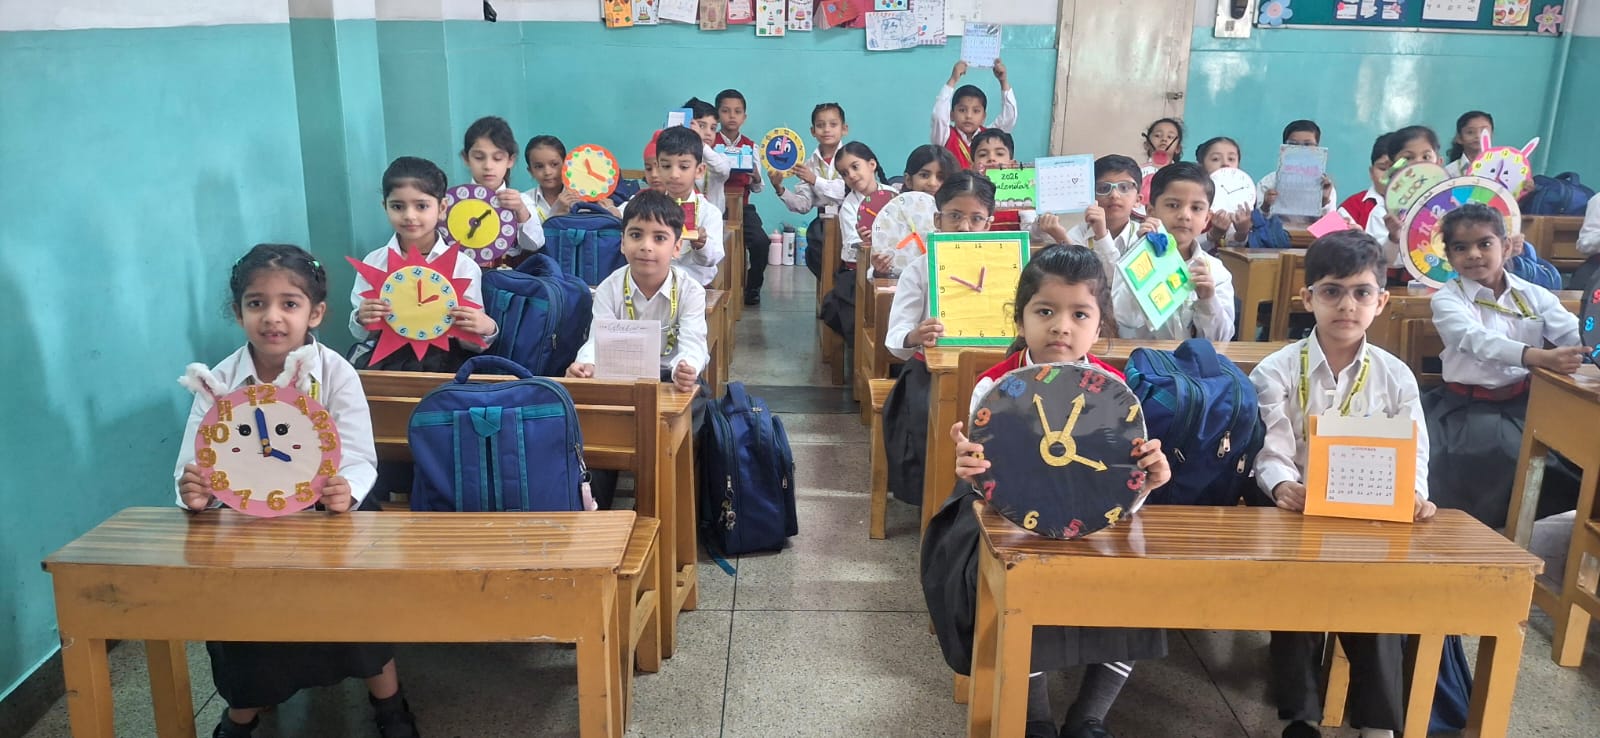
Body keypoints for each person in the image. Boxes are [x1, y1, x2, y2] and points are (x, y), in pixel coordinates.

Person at [174, 244, 418, 738]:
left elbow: (358, 455)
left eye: (289, 303)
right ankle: (242, 711)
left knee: (358, 615)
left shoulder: (335, 372)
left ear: (316, 313)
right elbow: (193, 463)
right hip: (248, 525)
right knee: (245, 625)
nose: (272, 317)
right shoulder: (220, 382)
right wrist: (195, 492)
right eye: (256, 303)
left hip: (331, 516)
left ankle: (389, 702)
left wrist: (346, 490)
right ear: (239, 311)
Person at [940, 244, 1173, 738]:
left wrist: (1149, 481)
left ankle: (1089, 717)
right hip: (1006, 522)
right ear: (1020, 318)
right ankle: (1036, 718)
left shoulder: (1116, 391)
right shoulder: (994, 386)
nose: (1061, 327)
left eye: (1079, 314)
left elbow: (1123, 488)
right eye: (1045, 311)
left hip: (1094, 520)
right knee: (1017, 584)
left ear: (1100, 324)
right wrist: (969, 469)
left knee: (1140, 585)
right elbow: (986, 482)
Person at [1250, 230, 1434, 738]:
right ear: (1307, 298)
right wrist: (1281, 485)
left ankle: (1377, 725)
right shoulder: (1276, 371)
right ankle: (1301, 718)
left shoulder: (1396, 376)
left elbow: (1415, 447)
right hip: (1297, 514)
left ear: (1381, 301)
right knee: (1298, 596)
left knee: (1375, 601)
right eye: (1331, 291)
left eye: (1361, 292)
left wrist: (1415, 492)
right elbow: (1270, 447)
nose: (1346, 305)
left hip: (1370, 518)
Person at [1426, 202, 1585, 528]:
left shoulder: (1534, 295)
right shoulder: (1447, 299)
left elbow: (1574, 333)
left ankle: (1544, 535)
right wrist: (1537, 356)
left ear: (1507, 246)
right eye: (1460, 248)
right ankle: (1492, 535)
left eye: (1484, 243)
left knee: (1578, 451)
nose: (1473, 255)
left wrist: (1590, 346)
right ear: (1449, 257)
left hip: (1526, 403)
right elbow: (1474, 339)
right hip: (1466, 408)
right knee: (1500, 459)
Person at [568, 190, 709, 508]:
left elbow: (694, 341)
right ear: (622, 243)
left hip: (671, 380)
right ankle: (599, 509)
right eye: (635, 235)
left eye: (659, 238)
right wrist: (585, 364)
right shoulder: (610, 287)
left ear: (677, 247)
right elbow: (597, 339)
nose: (646, 246)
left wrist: (686, 367)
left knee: (682, 425)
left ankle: (659, 508)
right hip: (620, 376)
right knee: (595, 429)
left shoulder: (690, 290)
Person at [881, 172, 997, 508]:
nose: (965, 227)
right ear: (938, 220)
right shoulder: (919, 269)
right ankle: (935, 496)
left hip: (990, 370)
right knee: (924, 419)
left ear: (988, 224)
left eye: (976, 218)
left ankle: (994, 494)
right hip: (928, 372)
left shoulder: (1003, 266)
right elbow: (896, 336)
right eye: (955, 216)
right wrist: (915, 334)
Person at [349, 157, 498, 372]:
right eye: (398, 206)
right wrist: (361, 317)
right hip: (387, 365)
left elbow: (472, 342)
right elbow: (362, 333)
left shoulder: (464, 266)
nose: (409, 216)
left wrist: (485, 327)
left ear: (442, 207)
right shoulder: (374, 262)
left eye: (421, 206)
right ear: (385, 207)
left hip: (445, 365)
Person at [1097, 162, 1235, 341]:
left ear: (1207, 219)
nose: (1185, 215)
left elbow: (1222, 339)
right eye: (1173, 205)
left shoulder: (1215, 272)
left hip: (1191, 359)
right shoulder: (1132, 260)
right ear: (1151, 211)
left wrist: (1208, 300)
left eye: (1196, 208)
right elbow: (1125, 318)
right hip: (1139, 357)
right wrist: (1144, 254)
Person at [624, 126, 724, 288]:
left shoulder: (709, 212)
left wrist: (702, 244)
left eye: (683, 167)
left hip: (695, 287)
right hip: (651, 284)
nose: (674, 175)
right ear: (658, 167)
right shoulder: (649, 206)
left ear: (699, 170)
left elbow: (713, 258)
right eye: (666, 166)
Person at [771, 102, 850, 278]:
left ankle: (842, 285)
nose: (827, 129)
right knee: (814, 247)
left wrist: (814, 179)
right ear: (813, 131)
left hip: (850, 218)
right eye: (820, 125)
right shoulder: (809, 164)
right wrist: (779, 188)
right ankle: (829, 286)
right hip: (823, 221)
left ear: (844, 129)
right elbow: (803, 205)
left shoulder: (851, 157)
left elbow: (844, 190)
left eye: (833, 124)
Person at [460, 116, 545, 261]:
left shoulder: (521, 201)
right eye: (479, 157)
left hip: (509, 272)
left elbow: (534, 244)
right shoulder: (454, 203)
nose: (488, 166)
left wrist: (521, 211)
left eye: (497, 158)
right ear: (466, 158)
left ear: (510, 160)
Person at [714, 89, 770, 305]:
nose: (732, 116)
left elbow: (758, 188)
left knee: (761, 242)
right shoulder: (709, 144)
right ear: (718, 115)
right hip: (714, 206)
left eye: (737, 112)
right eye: (726, 111)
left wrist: (756, 177)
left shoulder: (750, 146)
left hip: (742, 207)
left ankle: (753, 286)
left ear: (744, 117)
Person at [931, 59, 1018, 170]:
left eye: (976, 111)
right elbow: (939, 117)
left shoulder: (989, 136)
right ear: (951, 115)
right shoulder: (945, 136)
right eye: (962, 110)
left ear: (983, 117)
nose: (969, 116)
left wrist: (1003, 81)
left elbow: (1009, 118)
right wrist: (953, 80)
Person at [523, 134, 621, 222]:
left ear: (566, 164)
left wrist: (610, 210)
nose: (547, 172)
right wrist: (556, 213)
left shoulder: (584, 196)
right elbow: (528, 235)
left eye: (554, 164)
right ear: (530, 171)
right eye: (539, 166)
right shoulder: (525, 201)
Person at [1064, 155, 1145, 256]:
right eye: (1103, 188)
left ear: (1138, 200)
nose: (1114, 195)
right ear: (1091, 197)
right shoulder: (1078, 234)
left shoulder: (1143, 237)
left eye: (1124, 187)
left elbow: (1118, 268)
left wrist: (1102, 236)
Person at [1258, 119, 1337, 219]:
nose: (1300, 150)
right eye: (1293, 144)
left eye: (1307, 144)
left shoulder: (1325, 186)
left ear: (1318, 148)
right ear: (1284, 148)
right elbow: (1255, 222)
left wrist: (1324, 201)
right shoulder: (1268, 183)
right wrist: (1266, 205)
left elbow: (1330, 224)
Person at [1336, 133, 1394, 244]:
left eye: (1397, 168)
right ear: (1371, 172)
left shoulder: (1422, 207)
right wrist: (1357, 242)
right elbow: (1331, 247)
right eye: (1383, 168)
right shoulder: (1352, 207)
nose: (1389, 175)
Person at [683, 96, 734, 215]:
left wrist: (700, 143)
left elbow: (723, 170)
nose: (708, 133)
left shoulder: (720, 157)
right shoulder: (677, 159)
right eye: (701, 126)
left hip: (711, 221)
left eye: (713, 128)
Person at [1444, 111, 1494, 177]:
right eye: (1470, 132)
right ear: (1459, 138)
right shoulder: (1449, 171)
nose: (1478, 136)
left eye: (1483, 131)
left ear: (1491, 135)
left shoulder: (1500, 165)